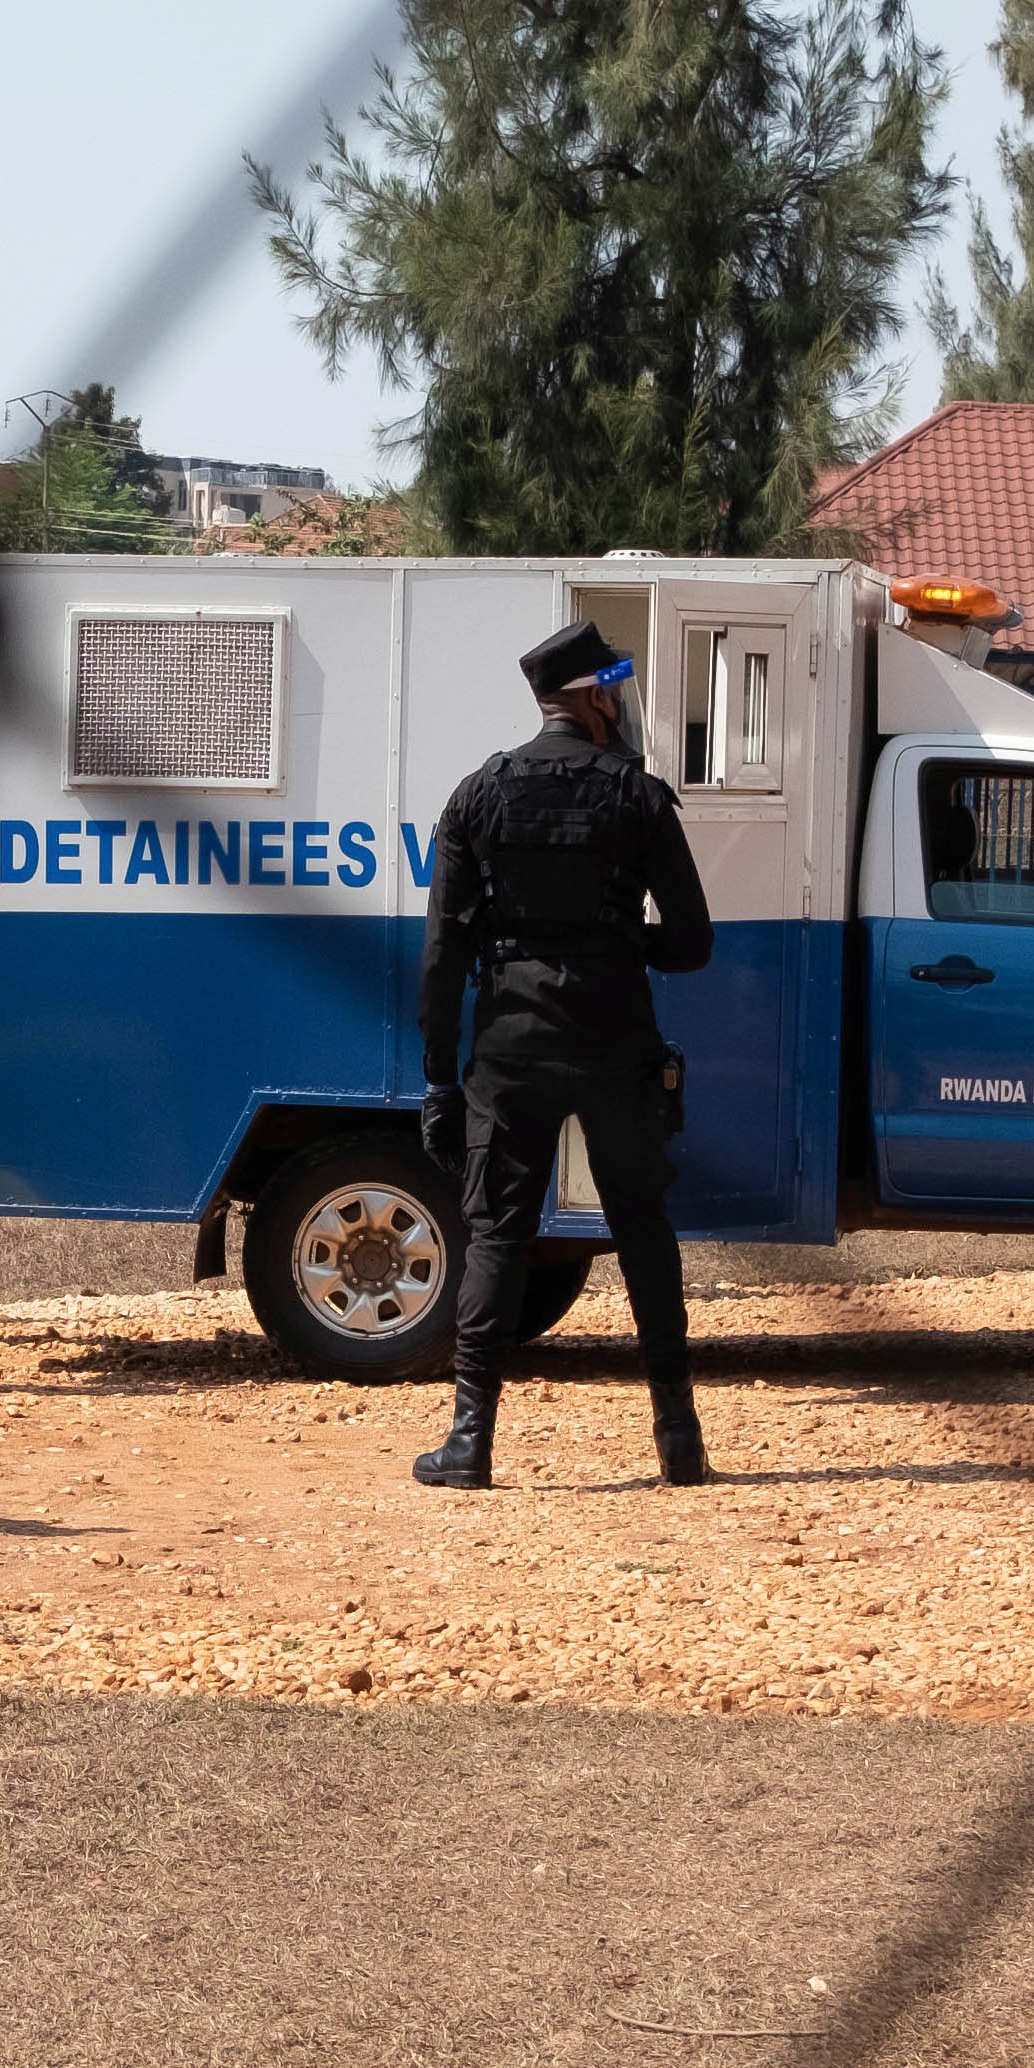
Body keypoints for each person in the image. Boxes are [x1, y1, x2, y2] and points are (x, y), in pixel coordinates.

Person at [411, 616, 713, 1492]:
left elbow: (442, 957)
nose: (617, 700)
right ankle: (678, 1438)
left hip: (510, 1046)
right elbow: (691, 943)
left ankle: (469, 1444)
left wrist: (439, 1078)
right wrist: (621, 949)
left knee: (498, 1234)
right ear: (589, 697)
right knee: (644, 1231)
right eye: (611, 687)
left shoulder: (479, 794)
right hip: (617, 1037)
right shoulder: (638, 795)